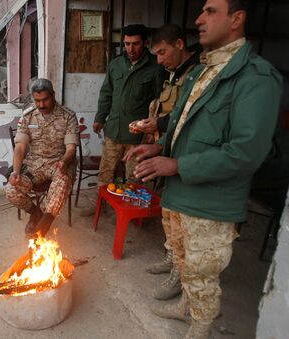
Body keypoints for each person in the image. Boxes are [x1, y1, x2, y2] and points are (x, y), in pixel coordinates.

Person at [124, 1, 282, 337]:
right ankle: (185, 308)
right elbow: (184, 127)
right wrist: (158, 147)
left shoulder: (256, 77)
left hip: (210, 202)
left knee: (202, 272)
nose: (198, 18)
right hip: (181, 192)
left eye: (210, 11)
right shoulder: (202, 70)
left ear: (237, 18)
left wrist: (177, 164)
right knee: (182, 260)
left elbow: (246, 153)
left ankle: (201, 327)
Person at [130, 24, 202, 302]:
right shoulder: (175, 74)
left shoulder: (198, 74)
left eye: (162, 52)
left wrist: (158, 125)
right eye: (156, 54)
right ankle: (171, 259)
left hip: (185, 158)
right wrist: (157, 140)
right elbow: (173, 116)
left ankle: (179, 276)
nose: (159, 60)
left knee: (184, 224)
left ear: (180, 44)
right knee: (168, 213)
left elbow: (189, 118)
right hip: (168, 149)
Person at [93, 24, 165, 188]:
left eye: (136, 44)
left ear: (145, 43)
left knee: (133, 178)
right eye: (127, 44)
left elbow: (160, 101)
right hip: (114, 131)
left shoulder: (155, 67)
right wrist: (100, 118)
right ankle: (101, 205)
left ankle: (130, 210)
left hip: (137, 136)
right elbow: (106, 93)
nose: (131, 49)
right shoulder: (116, 64)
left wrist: (153, 131)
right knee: (106, 174)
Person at [5, 78, 79, 238]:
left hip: (59, 162)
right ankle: (36, 213)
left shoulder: (68, 116)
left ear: (53, 95)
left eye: (45, 99)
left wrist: (64, 162)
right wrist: (16, 171)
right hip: (34, 165)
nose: (41, 105)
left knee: (62, 181)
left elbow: (71, 148)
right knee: (11, 190)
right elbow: (20, 147)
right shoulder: (28, 116)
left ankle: (42, 228)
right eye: (37, 101)